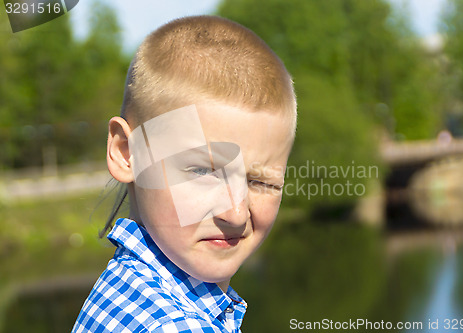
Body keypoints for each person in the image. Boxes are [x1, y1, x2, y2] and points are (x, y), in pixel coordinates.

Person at [72, 15, 296, 333]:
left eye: (261, 181)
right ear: (126, 153)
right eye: (203, 171)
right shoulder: (176, 326)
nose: (235, 214)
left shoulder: (128, 289)